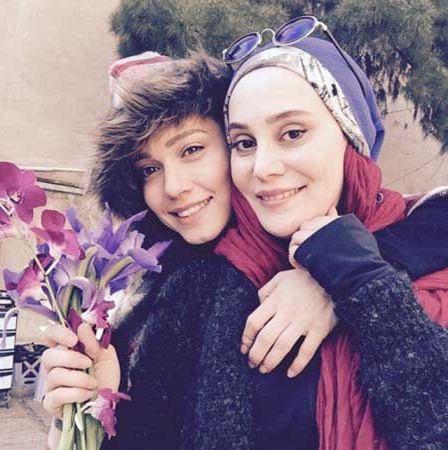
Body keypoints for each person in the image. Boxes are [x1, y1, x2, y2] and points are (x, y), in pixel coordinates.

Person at [41, 39, 448, 450]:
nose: (174, 187)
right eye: (148, 169)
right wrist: (94, 416)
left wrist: (342, 275)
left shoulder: (416, 237)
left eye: (192, 149)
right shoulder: (186, 289)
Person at [218, 17, 448, 449]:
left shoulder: (433, 255)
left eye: (292, 133)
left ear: (350, 138)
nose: (262, 167)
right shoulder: (217, 280)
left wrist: (348, 275)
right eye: (244, 143)